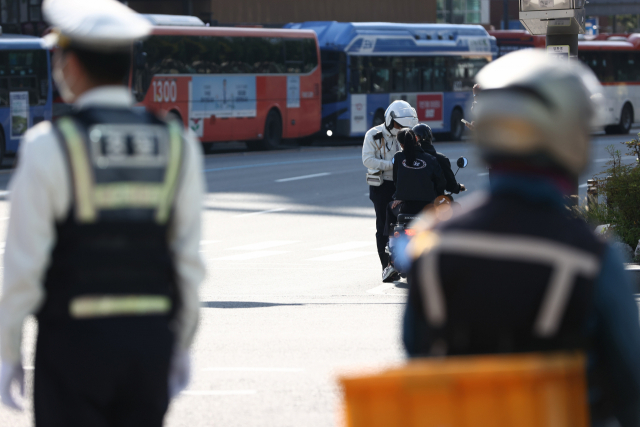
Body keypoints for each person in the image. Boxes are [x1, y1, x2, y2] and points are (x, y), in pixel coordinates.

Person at [402, 49, 640, 426]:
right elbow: (630, 387)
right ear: (567, 135)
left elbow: (417, 360)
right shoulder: (591, 258)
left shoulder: (432, 245)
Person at [0, 0, 206, 425]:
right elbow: (187, 262)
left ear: (71, 63)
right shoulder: (177, 143)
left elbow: (22, 268)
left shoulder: (49, 145)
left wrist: (8, 353)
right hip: (149, 345)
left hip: (73, 346)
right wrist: (182, 344)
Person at [363, 100, 418, 281]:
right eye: (399, 125)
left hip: (403, 184)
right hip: (382, 185)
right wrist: (391, 165)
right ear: (389, 119)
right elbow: (368, 160)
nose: (401, 129)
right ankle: (386, 266)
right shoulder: (373, 135)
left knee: (409, 223)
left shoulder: (409, 134)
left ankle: (408, 262)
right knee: (383, 227)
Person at [381, 129, 446, 282]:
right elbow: (440, 183)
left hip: (405, 208)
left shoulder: (398, 157)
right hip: (427, 209)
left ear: (400, 143)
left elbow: (397, 181)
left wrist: (400, 197)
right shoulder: (430, 159)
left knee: (389, 211)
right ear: (417, 139)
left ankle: (391, 259)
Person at [412, 123, 466, 195]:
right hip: (434, 201)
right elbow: (450, 185)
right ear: (430, 137)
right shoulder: (440, 159)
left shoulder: (405, 158)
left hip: (410, 200)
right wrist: (459, 187)